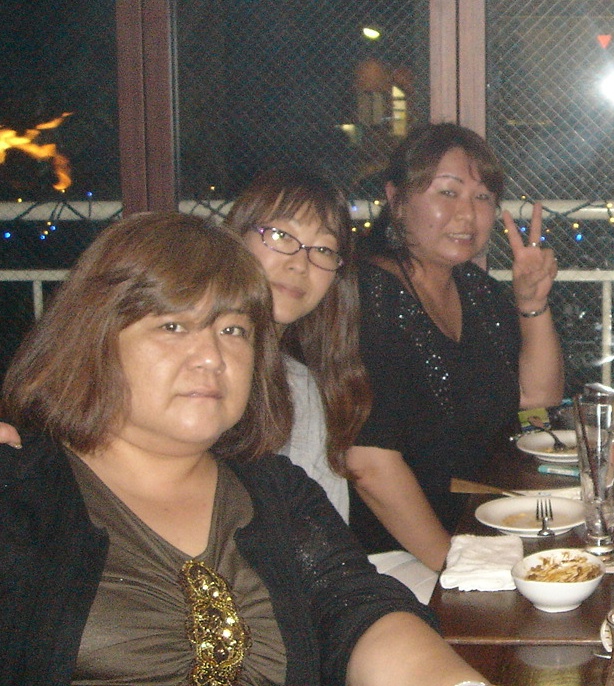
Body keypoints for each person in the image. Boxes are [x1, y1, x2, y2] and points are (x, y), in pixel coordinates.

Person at [0, 212, 489, 685]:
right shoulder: (21, 493)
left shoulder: (277, 492)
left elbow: (360, 611)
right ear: (95, 337)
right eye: (173, 326)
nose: (212, 357)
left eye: (233, 330)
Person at [348, 123, 564, 571]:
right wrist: (456, 567)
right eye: (447, 192)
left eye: (482, 197)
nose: (467, 214)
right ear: (397, 199)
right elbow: (369, 464)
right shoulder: (368, 296)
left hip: (475, 529)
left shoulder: (473, 290)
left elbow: (537, 396)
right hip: (386, 557)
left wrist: (532, 304)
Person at [222, 167, 369, 523]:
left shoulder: (302, 387)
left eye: (323, 249)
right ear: (236, 237)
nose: (300, 264)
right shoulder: (193, 365)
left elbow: (329, 529)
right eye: (281, 235)